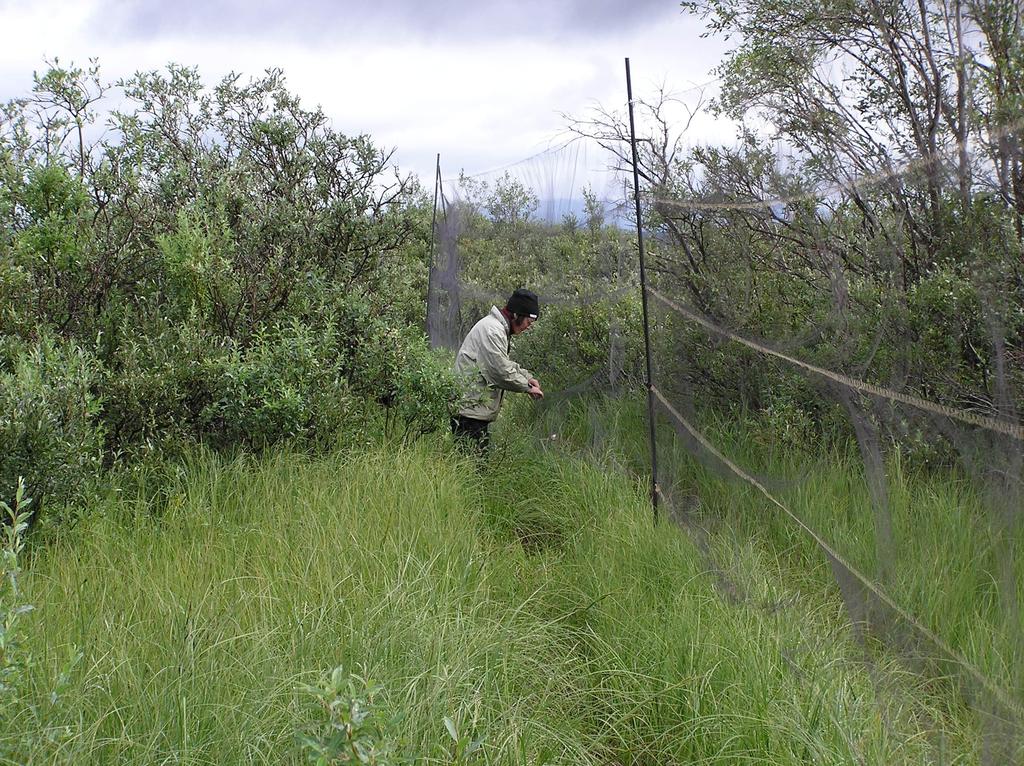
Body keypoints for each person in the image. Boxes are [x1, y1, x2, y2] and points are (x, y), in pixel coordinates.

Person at [451, 288, 544, 451]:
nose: (528, 327)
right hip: (469, 412)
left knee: (472, 466)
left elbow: (502, 362)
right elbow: (499, 371)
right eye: (528, 322)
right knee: (474, 468)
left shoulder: (497, 328)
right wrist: (527, 387)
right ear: (517, 315)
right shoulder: (492, 330)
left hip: (473, 410)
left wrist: (526, 377)